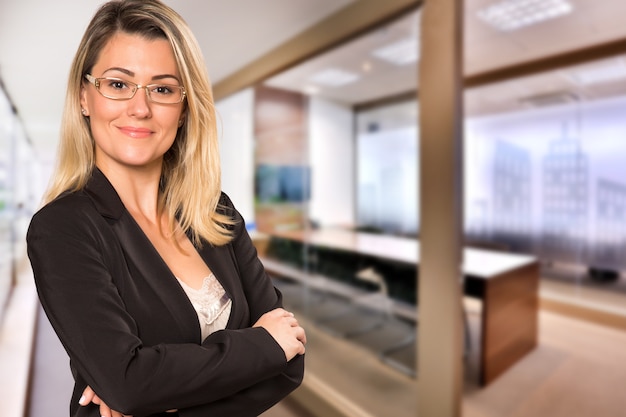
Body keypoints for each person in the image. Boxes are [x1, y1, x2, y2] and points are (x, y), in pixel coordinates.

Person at [26, 1, 306, 416]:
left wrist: (156, 396)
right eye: (118, 84)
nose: (140, 108)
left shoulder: (216, 212)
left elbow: (291, 362)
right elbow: (127, 383)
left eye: (162, 89)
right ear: (85, 97)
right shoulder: (63, 228)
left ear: (184, 107)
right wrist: (263, 346)